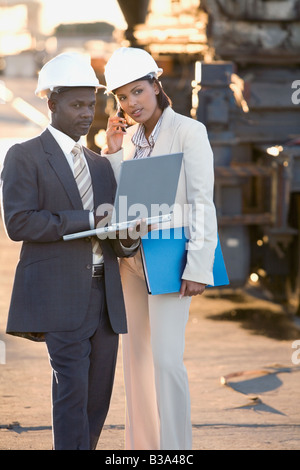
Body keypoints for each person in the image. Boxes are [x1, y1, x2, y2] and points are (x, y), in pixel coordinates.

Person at [0, 52, 140, 450]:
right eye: (77, 105)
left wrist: (130, 232)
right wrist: (87, 220)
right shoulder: (24, 155)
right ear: (52, 104)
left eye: (91, 104)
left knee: (97, 400)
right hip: (58, 294)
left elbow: (113, 233)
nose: (86, 114)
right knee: (72, 394)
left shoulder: (99, 165)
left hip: (105, 299)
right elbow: (20, 223)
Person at [102, 47, 218, 450]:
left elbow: (203, 200)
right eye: (122, 97)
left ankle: (175, 451)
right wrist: (114, 152)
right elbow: (121, 201)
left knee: (166, 361)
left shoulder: (189, 131)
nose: (131, 103)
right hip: (131, 260)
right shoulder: (130, 138)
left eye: (137, 91)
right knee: (137, 361)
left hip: (171, 259)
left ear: (156, 84)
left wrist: (199, 266)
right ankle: (144, 449)